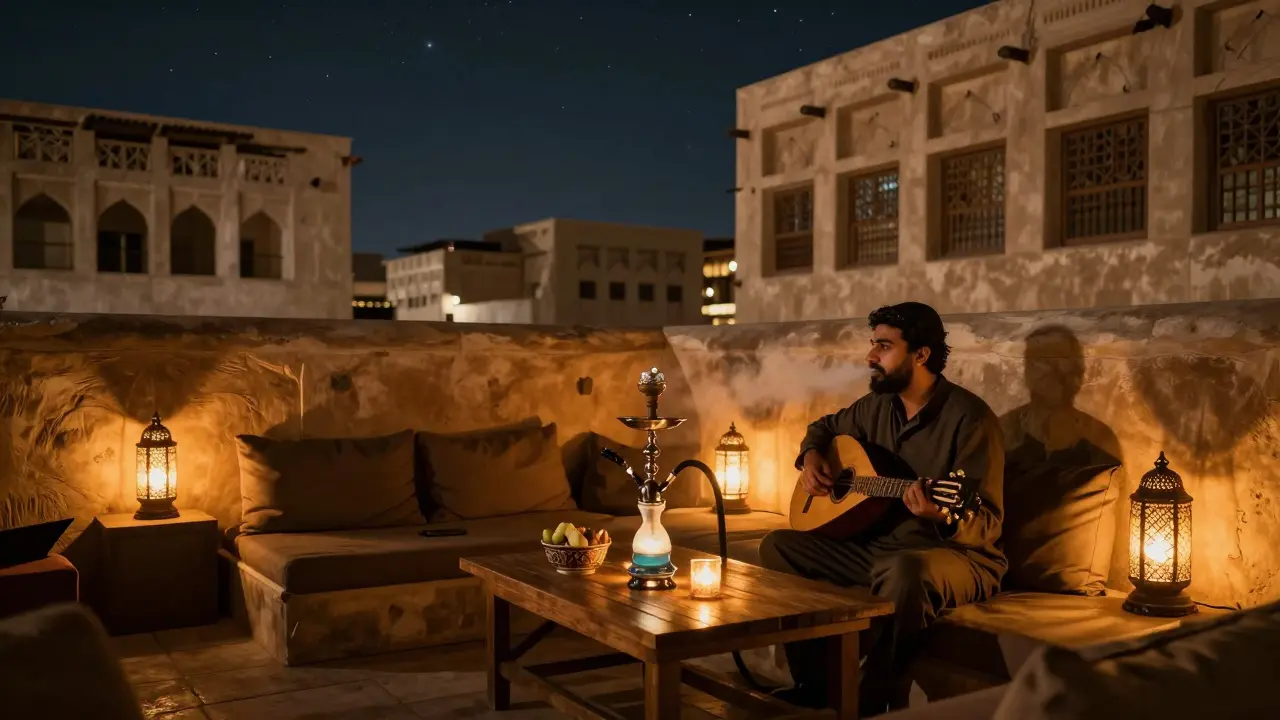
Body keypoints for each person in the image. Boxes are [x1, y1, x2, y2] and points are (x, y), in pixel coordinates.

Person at [759, 302, 1006, 716]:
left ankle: (872, 699)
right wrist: (811, 456)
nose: (870, 356)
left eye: (884, 346)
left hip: (956, 555)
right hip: (877, 548)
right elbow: (824, 428)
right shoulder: (876, 407)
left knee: (906, 570)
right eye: (873, 344)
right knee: (778, 547)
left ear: (921, 355)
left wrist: (940, 516)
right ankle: (813, 683)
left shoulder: (971, 420)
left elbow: (988, 525)